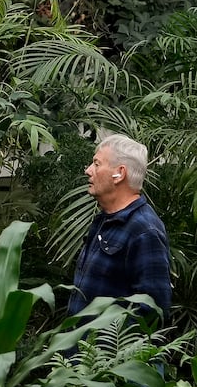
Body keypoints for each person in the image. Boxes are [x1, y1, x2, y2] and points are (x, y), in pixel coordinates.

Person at [70, 134, 172, 321]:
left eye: (97, 164)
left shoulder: (144, 231)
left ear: (120, 173)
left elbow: (153, 314)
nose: (88, 170)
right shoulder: (103, 220)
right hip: (81, 348)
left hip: (110, 349)